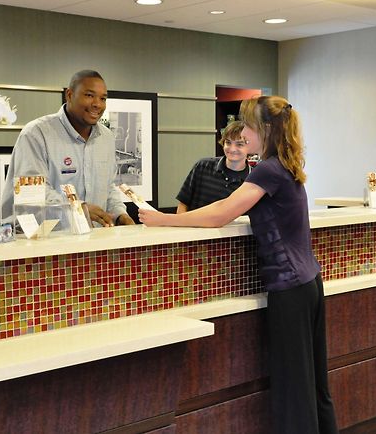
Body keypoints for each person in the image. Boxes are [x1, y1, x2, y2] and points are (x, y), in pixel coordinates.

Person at [139, 95, 339, 434]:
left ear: (265, 129)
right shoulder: (286, 164)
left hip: (290, 289)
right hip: (308, 283)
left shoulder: (268, 170)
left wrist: (162, 220)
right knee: (314, 383)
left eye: (247, 125)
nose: (243, 132)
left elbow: (222, 212)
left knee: (294, 388)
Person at [2, 70, 135, 227]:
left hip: (95, 243)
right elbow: (32, 194)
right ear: (70, 95)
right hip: (44, 243)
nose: (97, 104)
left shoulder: (106, 138)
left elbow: (109, 188)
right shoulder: (36, 134)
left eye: (103, 98)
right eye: (89, 95)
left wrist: (120, 215)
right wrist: (79, 209)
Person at [176, 120, 251, 213]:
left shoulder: (253, 179)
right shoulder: (202, 166)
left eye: (239, 144)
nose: (232, 149)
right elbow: (183, 203)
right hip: (194, 226)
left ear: (250, 147)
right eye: (228, 142)